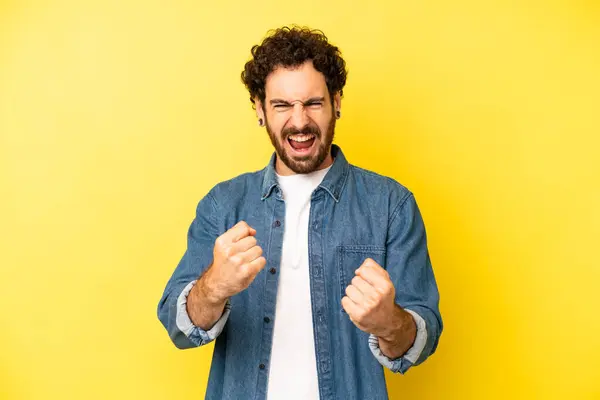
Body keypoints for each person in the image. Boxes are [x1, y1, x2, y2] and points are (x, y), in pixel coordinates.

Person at [157, 26, 442, 400]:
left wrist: (389, 322)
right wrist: (214, 287)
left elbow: (421, 341)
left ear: (336, 101)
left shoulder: (391, 205)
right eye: (281, 105)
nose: (299, 120)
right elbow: (179, 329)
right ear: (260, 110)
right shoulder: (223, 205)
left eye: (312, 103)